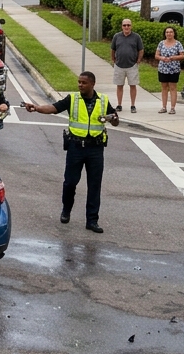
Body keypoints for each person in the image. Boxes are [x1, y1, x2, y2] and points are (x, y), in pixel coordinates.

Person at [23, 71, 118, 233]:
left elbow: (114, 119)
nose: (80, 85)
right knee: (70, 182)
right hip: (76, 147)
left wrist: (113, 119)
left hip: (95, 148)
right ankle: (66, 210)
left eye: (84, 83)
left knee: (94, 185)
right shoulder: (72, 99)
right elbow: (54, 108)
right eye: (79, 82)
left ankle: (92, 220)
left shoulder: (103, 100)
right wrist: (37, 108)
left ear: (92, 84)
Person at [109, 18, 144, 113]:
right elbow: (113, 49)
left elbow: (140, 50)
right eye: (124, 25)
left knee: (133, 85)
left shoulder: (136, 37)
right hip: (119, 65)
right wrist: (114, 59)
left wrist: (139, 60)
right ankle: (119, 105)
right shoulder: (117, 36)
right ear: (122, 26)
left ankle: (133, 105)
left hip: (132, 65)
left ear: (131, 26)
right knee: (119, 85)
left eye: (128, 25)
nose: (126, 27)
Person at [155, 27, 184, 114]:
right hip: (163, 68)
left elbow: (182, 55)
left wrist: (174, 57)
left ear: (174, 33)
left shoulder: (178, 44)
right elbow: (156, 55)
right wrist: (162, 58)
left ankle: (172, 108)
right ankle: (164, 107)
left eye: (171, 32)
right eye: (167, 32)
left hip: (174, 69)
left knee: (173, 87)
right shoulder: (161, 43)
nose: (169, 34)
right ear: (165, 34)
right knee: (164, 87)